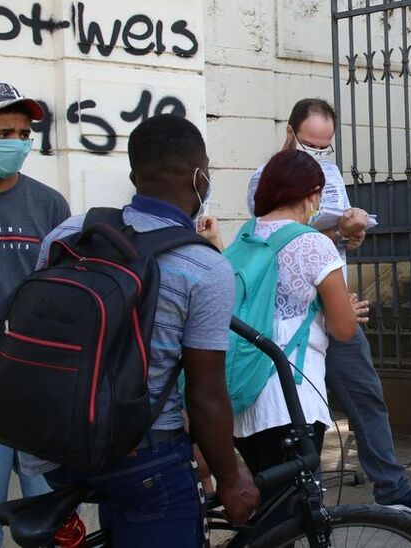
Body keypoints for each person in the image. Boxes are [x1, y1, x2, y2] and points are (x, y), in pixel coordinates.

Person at [31, 114, 259, 544]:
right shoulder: (204, 267)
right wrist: (231, 479)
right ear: (200, 178)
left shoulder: (70, 232)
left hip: (57, 441)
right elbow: (206, 396)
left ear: (135, 175)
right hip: (142, 455)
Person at [247, 99, 411, 514]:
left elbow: (329, 230)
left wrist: (350, 234)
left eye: (325, 147)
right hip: (289, 315)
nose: (318, 155)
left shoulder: (331, 175)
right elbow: (278, 221)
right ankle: (295, 506)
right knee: (290, 415)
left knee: (365, 393)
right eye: (310, 145)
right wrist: (338, 226)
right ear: (290, 132)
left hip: (331, 293)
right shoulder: (266, 176)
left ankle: (390, 486)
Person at [233, 149, 368, 474]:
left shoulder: (246, 235)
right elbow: (343, 329)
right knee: (293, 511)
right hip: (291, 394)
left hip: (244, 388)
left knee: (269, 507)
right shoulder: (313, 244)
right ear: (313, 194)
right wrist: (346, 310)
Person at [0, 83, 68, 544]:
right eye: (5, 131)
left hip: (39, 380)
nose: (17, 141)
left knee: (51, 511)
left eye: (23, 133)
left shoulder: (50, 204)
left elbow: (68, 286)